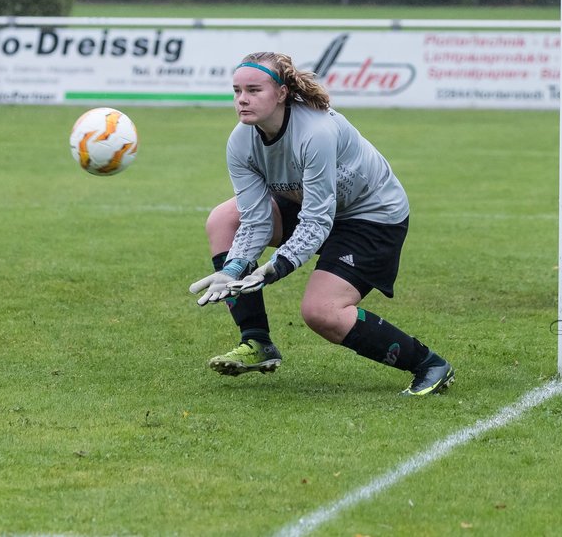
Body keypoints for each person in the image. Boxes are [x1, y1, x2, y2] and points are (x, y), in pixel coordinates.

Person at [189, 51, 454, 396]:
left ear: (282, 93)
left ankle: (429, 364)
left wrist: (276, 267)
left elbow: (318, 220)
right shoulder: (241, 141)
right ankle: (256, 342)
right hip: (312, 203)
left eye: (254, 90)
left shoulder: (316, 132)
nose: (242, 100)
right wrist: (234, 268)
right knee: (224, 219)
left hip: (371, 216)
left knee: (320, 312)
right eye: (237, 91)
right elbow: (253, 219)